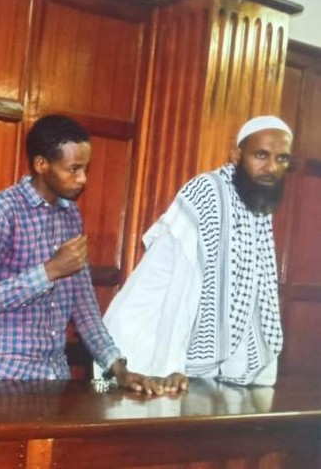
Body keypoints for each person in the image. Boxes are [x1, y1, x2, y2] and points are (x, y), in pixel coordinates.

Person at [0, 115, 161, 394]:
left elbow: (84, 306)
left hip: (56, 378)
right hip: (2, 378)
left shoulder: (71, 216)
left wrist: (119, 369)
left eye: (85, 169)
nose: (83, 179)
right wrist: (49, 271)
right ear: (41, 164)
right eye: (73, 169)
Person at [101, 116, 293, 389]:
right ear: (237, 155)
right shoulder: (209, 191)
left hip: (193, 364)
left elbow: (253, 294)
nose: (272, 167)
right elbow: (183, 286)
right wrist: (170, 366)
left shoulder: (258, 203)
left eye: (282, 158)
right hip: (145, 346)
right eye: (261, 155)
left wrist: (252, 374)